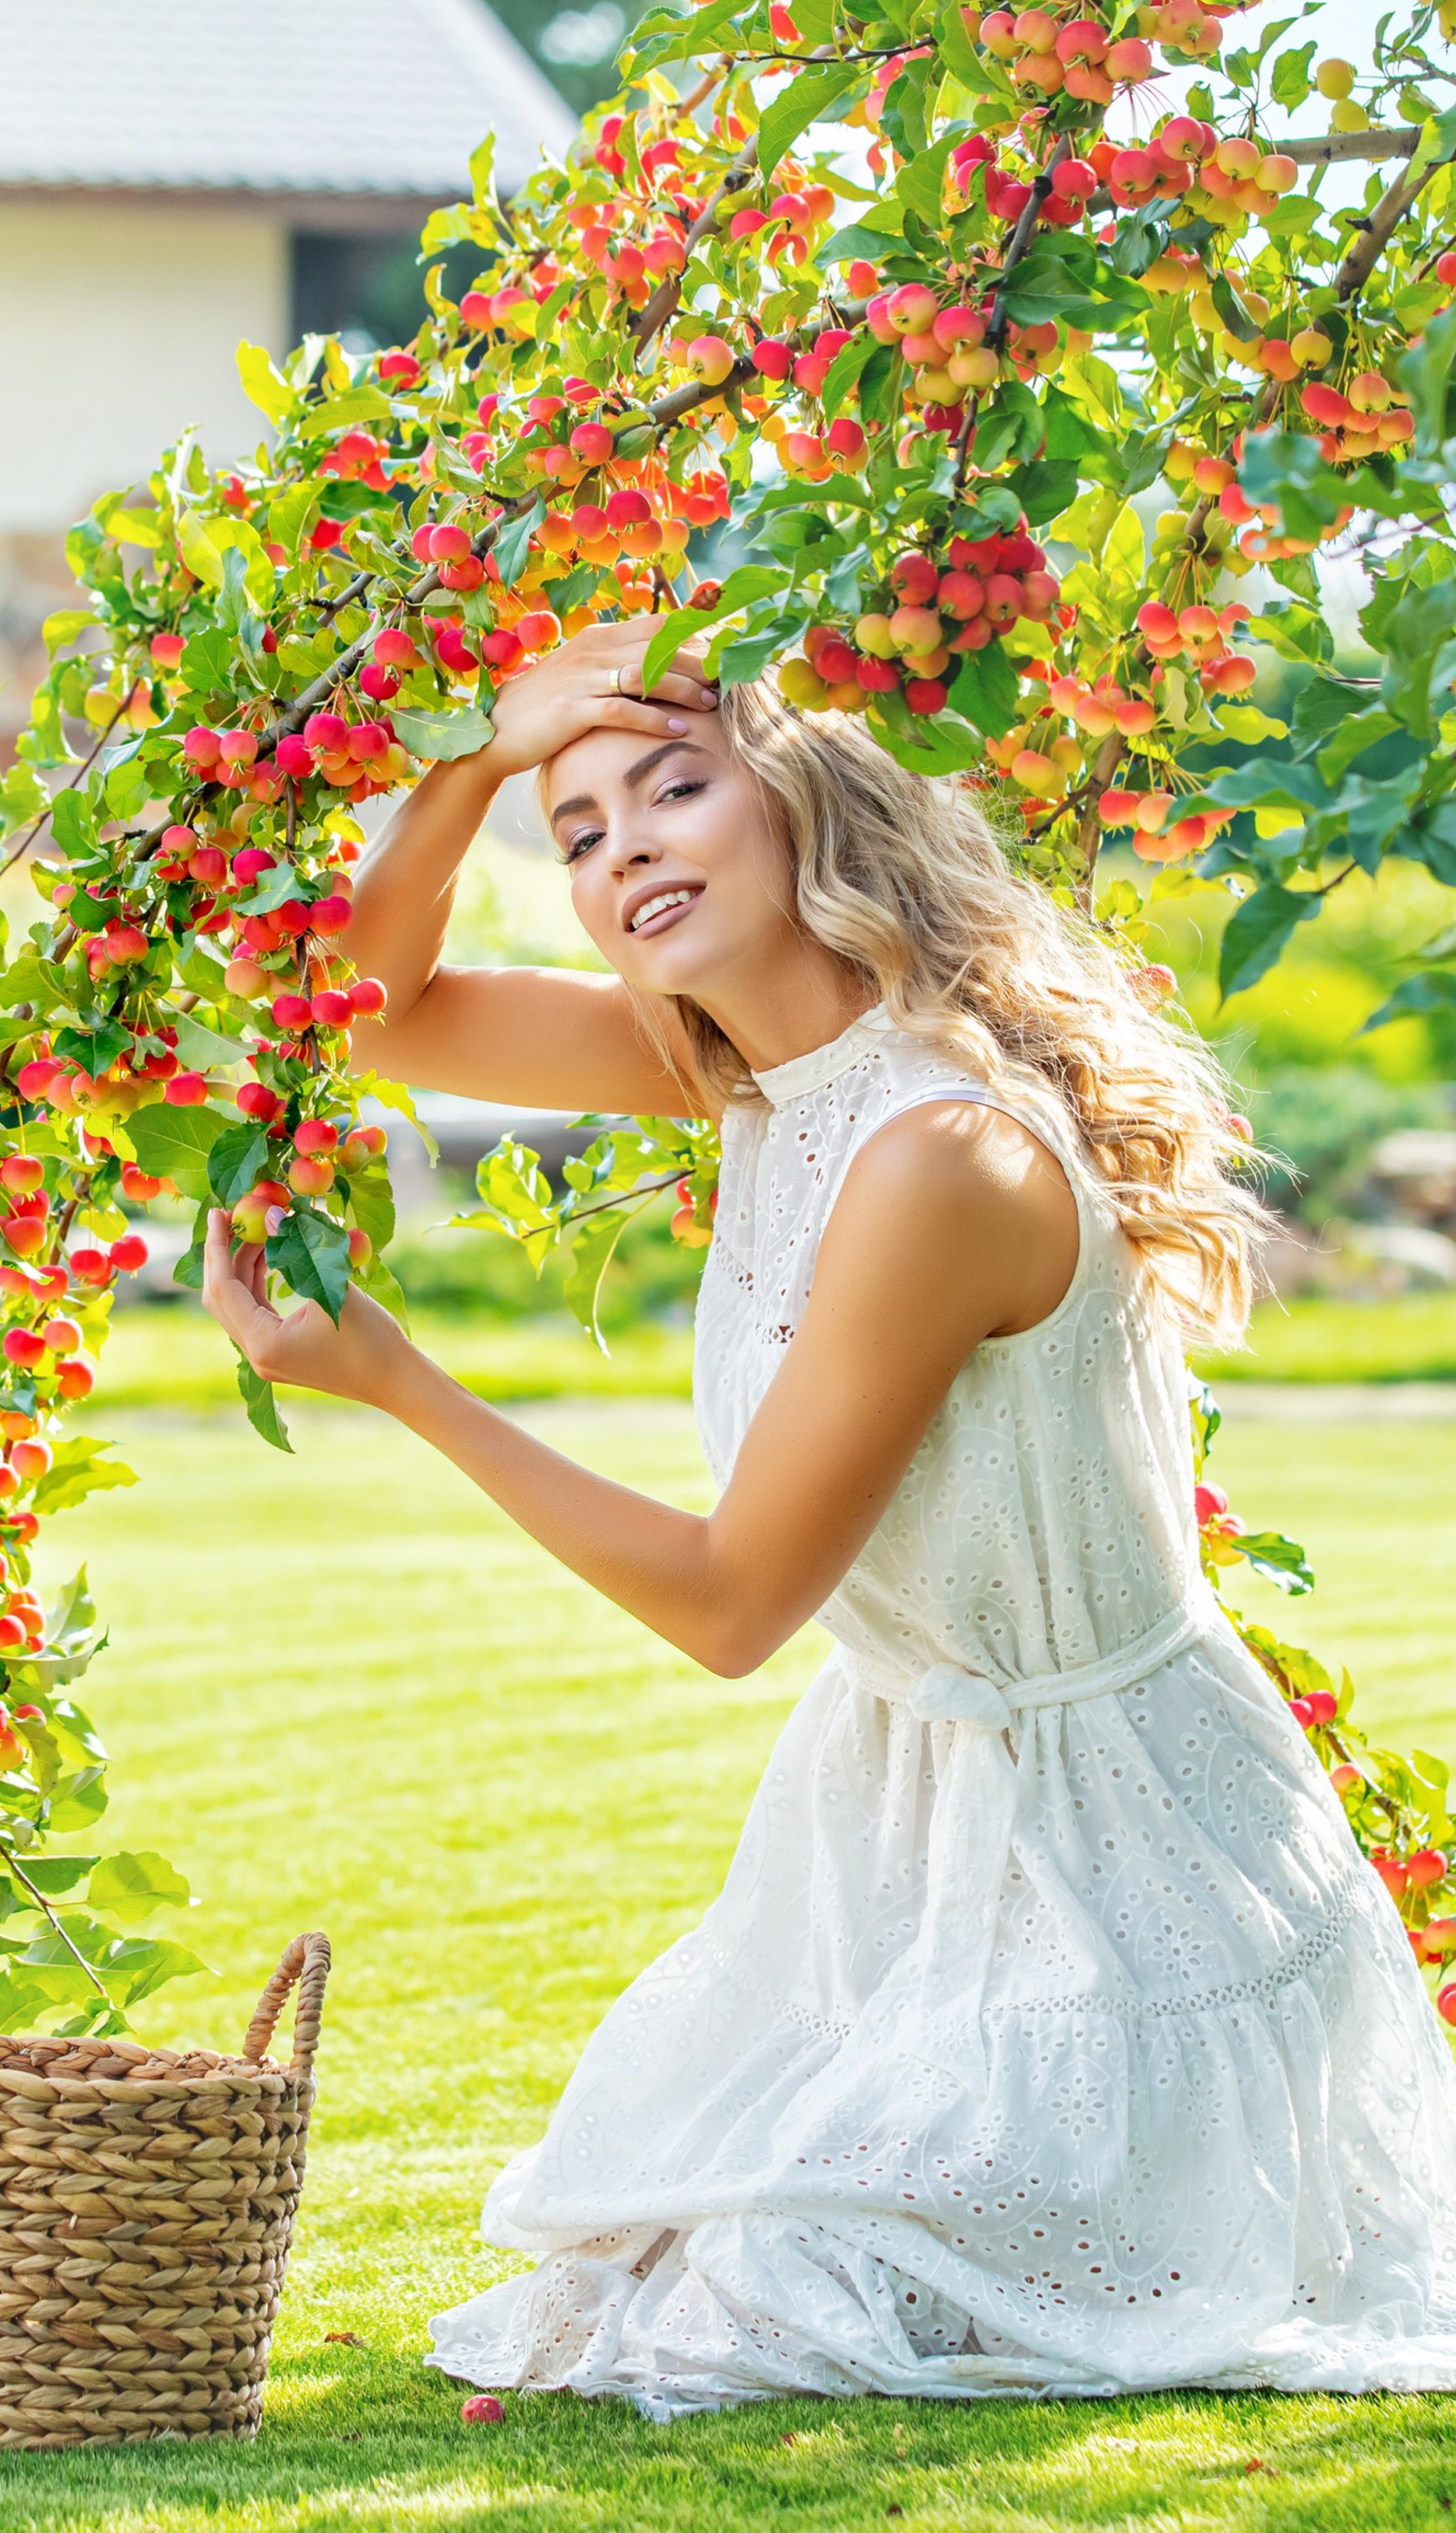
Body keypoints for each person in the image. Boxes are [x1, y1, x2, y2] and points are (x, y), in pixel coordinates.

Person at [202, 616, 1456, 2408]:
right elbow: (367, 1008)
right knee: (674, 2254)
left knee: (766, 2298)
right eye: (574, 832)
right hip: (899, 1833)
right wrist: (479, 759)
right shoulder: (744, 1071)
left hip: (1118, 1868)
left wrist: (401, 1381)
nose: (618, 846)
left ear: (806, 801)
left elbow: (730, 1608)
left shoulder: (938, 1152)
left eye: (670, 786)